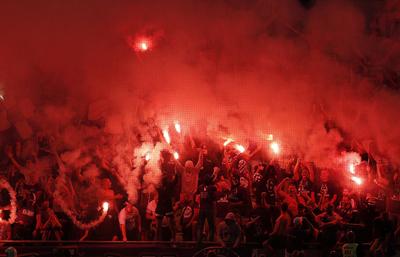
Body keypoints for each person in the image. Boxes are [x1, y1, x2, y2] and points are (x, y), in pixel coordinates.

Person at [156, 151, 178, 241]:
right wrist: (159, 164)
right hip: (161, 205)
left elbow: (176, 179)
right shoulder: (158, 185)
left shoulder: (169, 184)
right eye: (163, 175)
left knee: (171, 225)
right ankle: (158, 241)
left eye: (165, 175)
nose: (164, 176)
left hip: (168, 205)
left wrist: (176, 168)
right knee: (158, 226)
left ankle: (173, 239)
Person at [196, 174, 217, 244]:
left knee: (200, 226)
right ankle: (209, 242)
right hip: (209, 209)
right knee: (211, 226)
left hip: (202, 209)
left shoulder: (200, 187)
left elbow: (200, 194)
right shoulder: (212, 188)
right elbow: (213, 198)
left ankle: (199, 242)